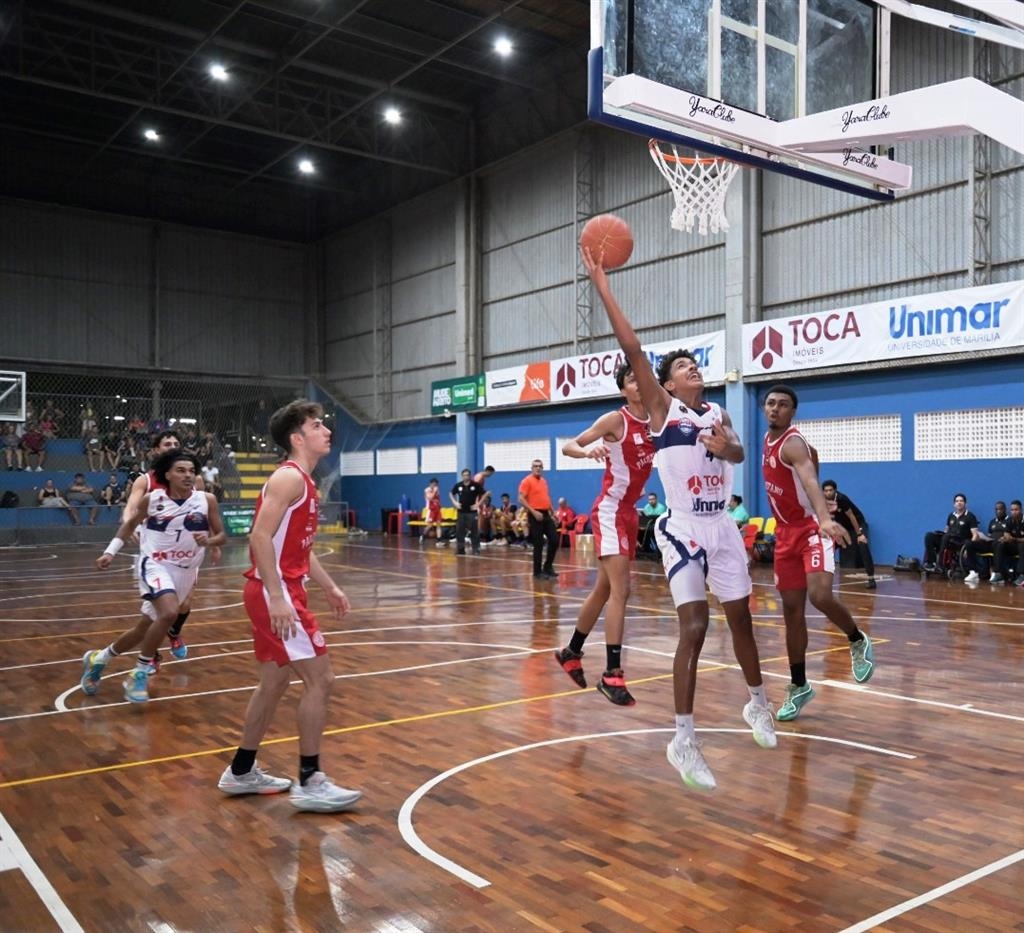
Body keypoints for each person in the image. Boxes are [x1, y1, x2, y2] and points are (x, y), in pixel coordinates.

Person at [583, 245, 775, 791]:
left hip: (724, 529)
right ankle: (683, 740)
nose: (695, 370)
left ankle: (758, 705)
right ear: (666, 385)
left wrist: (726, 446)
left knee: (741, 623)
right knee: (696, 626)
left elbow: (738, 455)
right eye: (685, 368)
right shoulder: (665, 411)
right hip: (684, 527)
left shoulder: (718, 412)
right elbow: (632, 346)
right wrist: (602, 284)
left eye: (696, 365)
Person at [218, 399, 362, 811]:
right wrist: (278, 596)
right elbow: (258, 537)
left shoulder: (304, 482)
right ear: (298, 438)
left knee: (275, 681)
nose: (326, 430)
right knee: (321, 679)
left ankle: (241, 771)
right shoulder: (288, 479)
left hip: (277, 588)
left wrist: (331, 587)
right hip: (274, 592)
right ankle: (310, 780)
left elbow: (300, 547)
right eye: (318, 426)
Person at [762, 385, 876, 723]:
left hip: (811, 528)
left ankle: (856, 639)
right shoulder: (767, 442)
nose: (775, 409)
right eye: (770, 403)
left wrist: (825, 519)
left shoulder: (794, 443)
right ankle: (798, 685)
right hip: (784, 534)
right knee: (791, 612)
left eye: (783, 405)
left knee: (820, 595)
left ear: (793, 412)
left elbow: (811, 480)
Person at [82, 449, 226, 702]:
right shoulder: (153, 499)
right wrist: (110, 552)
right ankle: (139, 673)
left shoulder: (207, 501)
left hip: (186, 571)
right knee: (170, 613)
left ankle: (99, 658)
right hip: (156, 565)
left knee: (143, 629)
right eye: (181, 471)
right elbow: (129, 525)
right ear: (167, 474)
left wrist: (209, 540)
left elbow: (222, 536)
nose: (188, 475)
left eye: (192, 471)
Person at [554, 362, 654, 705]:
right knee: (621, 591)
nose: (639, 382)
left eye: (641, 376)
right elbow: (569, 445)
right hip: (610, 511)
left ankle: (571, 651)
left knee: (603, 589)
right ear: (623, 389)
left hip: (630, 513)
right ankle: (612, 674)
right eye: (631, 379)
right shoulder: (616, 420)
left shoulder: (656, 419)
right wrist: (587, 450)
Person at [121, 430, 211, 663]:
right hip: (156, 551)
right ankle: (150, 656)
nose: (172, 446)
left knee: (184, 603)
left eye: (176, 443)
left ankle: (173, 633)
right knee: (162, 610)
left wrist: (212, 539)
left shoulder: (194, 480)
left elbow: (203, 512)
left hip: (188, 549)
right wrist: (130, 525)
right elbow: (131, 507)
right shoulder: (146, 481)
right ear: (156, 450)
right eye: (167, 443)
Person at [821, 480, 877, 589]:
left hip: (857, 524)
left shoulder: (842, 499)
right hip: (842, 528)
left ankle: (871, 579)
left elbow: (851, 516)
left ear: (835, 490)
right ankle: (824, 579)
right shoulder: (822, 502)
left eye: (830, 490)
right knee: (827, 549)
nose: (828, 493)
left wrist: (859, 534)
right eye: (826, 491)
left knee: (862, 545)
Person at [519, 460, 559, 581]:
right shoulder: (526, 481)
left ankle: (548, 567)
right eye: (535, 466)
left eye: (540, 466)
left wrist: (553, 512)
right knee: (539, 543)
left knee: (554, 540)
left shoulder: (543, 481)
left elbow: (546, 497)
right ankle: (537, 572)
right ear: (531, 468)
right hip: (535, 514)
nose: (538, 468)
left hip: (546, 514)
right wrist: (533, 512)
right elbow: (521, 498)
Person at [922, 493, 978, 572]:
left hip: (960, 542)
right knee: (929, 536)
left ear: (965, 503)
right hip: (947, 539)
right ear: (954, 504)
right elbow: (946, 530)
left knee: (947, 536)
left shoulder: (970, 516)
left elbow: (975, 535)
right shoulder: (951, 515)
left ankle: (940, 565)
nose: (959, 503)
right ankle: (931, 563)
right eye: (957, 501)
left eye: (961, 501)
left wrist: (968, 548)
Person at [962, 501, 1009, 584]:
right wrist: (984, 538)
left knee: (998, 544)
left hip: (1001, 544)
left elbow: (1009, 536)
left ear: (1005, 509)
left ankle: (997, 573)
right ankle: (973, 572)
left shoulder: (1009, 521)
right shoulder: (992, 522)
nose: (998, 511)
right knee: (969, 543)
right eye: (996, 509)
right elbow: (990, 535)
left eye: (1000, 509)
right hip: (990, 543)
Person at [989, 499, 1024, 586]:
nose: (1014, 512)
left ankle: (1022, 575)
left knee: (1022, 545)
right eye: (1012, 510)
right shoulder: (1009, 521)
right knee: (1000, 544)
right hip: (1013, 545)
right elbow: (1006, 534)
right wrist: (1005, 538)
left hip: (1021, 545)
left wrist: (1014, 539)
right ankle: (999, 573)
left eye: (1016, 510)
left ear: (1021, 510)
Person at [450, 468, 484, 555]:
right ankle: (461, 549)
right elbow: (451, 493)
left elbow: (485, 494)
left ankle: (476, 549)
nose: (466, 477)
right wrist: (454, 502)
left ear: (470, 476)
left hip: (472, 512)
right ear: (462, 476)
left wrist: (478, 504)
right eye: (464, 475)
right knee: (460, 531)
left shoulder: (475, 485)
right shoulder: (458, 485)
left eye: (467, 475)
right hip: (461, 512)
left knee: (474, 531)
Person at [639, 491, 666, 556]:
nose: (651, 501)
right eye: (649, 499)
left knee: (652, 531)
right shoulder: (646, 507)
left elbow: (658, 519)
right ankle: (646, 550)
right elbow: (645, 519)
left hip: (658, 527)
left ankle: (659, 552)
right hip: (648, 526)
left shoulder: (661, 507)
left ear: (656, 499)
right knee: (640, 531)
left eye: (653, 499)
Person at [420, 478, 444, 545]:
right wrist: (434, 491)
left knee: (439, 525)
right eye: (434, 484)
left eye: (436, 484)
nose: (435, 486)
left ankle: (439, 541)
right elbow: (430, 498)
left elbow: (438, 499)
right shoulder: (427, 490)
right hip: (431, 510)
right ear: (430, 484)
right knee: (430, 525)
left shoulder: (437, 489)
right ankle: (423, 536)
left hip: (437, 509)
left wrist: (439, 505)